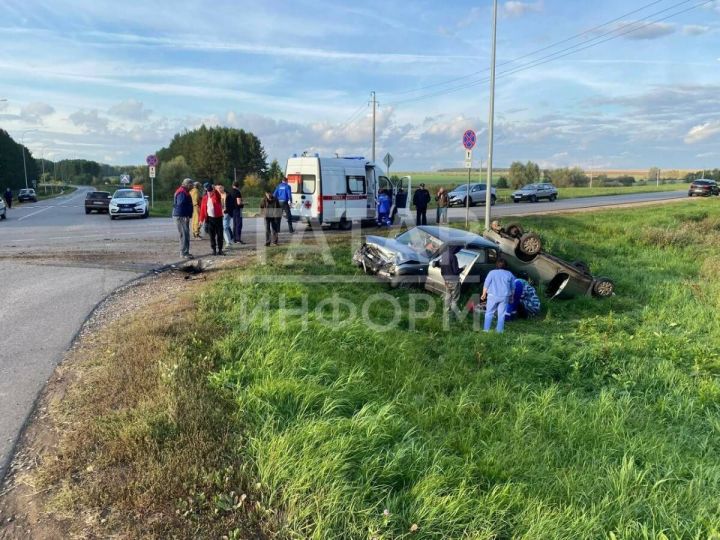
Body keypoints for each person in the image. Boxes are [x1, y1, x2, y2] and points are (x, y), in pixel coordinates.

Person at [481, 258, 515, 333]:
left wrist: (483, 294)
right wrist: (512, 297)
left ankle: (486, 330)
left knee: (489, 313)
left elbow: (486, 284)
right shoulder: (509, 274)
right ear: (506, 266)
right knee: (501, 314)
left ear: (496, 265)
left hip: (492, 296)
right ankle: (499, 331)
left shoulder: (492, 273)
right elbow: (513, 288)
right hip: (504, 297)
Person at [199, 182, 225, 256]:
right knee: (212, 235)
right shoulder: (204, 198)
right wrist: (201, 220)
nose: (210, 193)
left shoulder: (216, 195)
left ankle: (220, 250)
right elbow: (203, 210)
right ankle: (214, 250)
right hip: (210, 219)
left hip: (218, 218)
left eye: (211, 191)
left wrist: (214, 189)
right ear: (206, 191)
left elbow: (217, 195)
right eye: (208, 191)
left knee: (220, 235)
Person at [172, 178, 194, 259]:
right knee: (184, 235)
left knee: (186, 234)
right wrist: (186, 215)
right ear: (187, 185)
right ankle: (184, 253)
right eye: (191, 185)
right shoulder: (182, 192)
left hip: (182, 215)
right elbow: (180, 204)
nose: (192, 186)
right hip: (181, 216)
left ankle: (186, 252)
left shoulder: (184, 191)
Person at [440, 245, 462, 318]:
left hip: (447, 280)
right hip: (454, 281)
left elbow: (442, 271)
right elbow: (456, 271)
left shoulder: (444, 256)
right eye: (457, 250)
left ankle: (446, 314)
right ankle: (452, 315)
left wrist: (445, 281)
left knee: (447, 297)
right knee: (455, 298)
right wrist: (462, 269)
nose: (457, 251)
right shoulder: (453, 257)